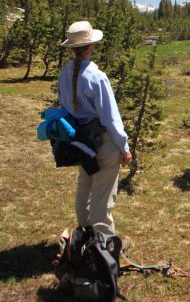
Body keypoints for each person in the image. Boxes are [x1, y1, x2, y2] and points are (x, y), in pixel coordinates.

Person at [58, 20, 132, 235]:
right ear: (91, 46)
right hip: (103, 142)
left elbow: (65, 107)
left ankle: (85, 234)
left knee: (85, 185)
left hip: (80, 140)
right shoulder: (97, 77)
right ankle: (105, 246)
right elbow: (110, 119)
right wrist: (124, 147)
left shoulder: (64, 74)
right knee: (102, 195)